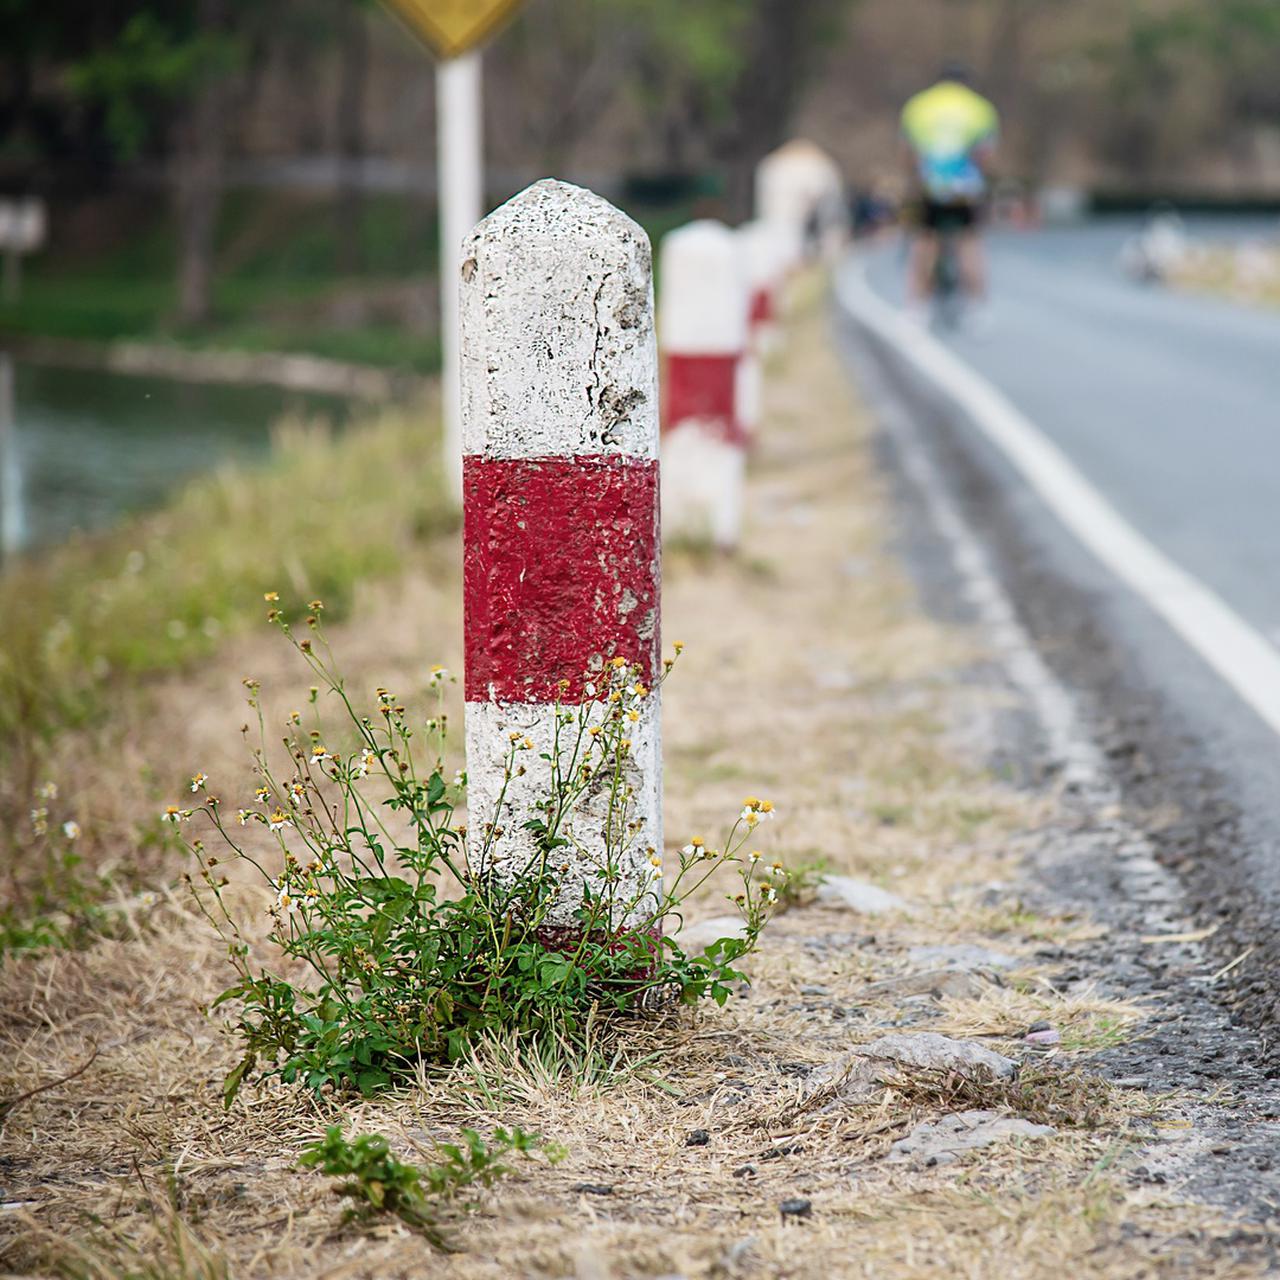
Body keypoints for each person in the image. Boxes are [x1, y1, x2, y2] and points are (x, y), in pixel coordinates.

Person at [900, 62, 999, 325]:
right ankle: (978, 309)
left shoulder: (919, 105)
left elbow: (909, 152)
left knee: (924, 243)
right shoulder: (979, 108)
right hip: (965, 187)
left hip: (930, 184)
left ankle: (916, 308)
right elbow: (984, 154)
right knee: (969, 243)